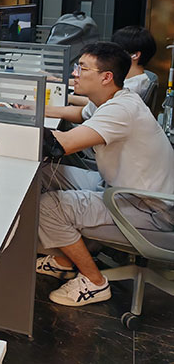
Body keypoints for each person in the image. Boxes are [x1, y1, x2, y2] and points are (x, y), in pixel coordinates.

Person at [36, 41, 174, 306]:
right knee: (45, 173)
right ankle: (64, 260)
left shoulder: (122, 110)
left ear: (106, 77)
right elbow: (80, 113)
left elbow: (60, 145)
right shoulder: (114, 98)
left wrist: (10, 124)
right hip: (118, 186)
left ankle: (95, 282)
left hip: (150, 210)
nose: (75, 73)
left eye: (82, 68)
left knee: (48, 207)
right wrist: (34, 110)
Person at [46, 25, 157, 121]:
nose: (112, 53)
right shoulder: (133, 78)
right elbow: (85, 112)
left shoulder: (132, 89)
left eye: (119, 49)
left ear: (135, 55)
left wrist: (68, 97)